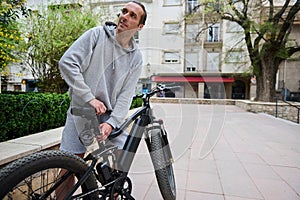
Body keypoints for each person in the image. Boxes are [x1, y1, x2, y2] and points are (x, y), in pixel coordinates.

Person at [56, 1, 147, 199]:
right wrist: (89, 98)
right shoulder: (96, 35)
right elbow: (67, 63)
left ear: (140, 27)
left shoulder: (136, 57)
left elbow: (126, 95)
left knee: (116, 173)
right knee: (68, 167)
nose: (125, 16)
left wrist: (112, 123)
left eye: (132, 15)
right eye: (124, 11)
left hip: (108, 117)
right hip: (81, 111)